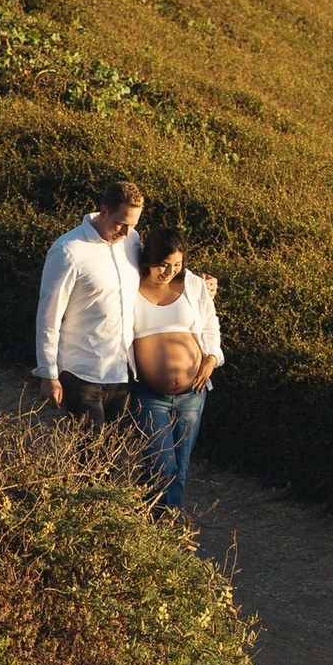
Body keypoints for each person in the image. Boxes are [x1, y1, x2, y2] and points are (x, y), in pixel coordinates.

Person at [127, 213, 221, 513]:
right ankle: (151, 527)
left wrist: (212, 358)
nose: (170, 271)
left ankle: (168, 528)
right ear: (149, 260)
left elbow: (210, 325)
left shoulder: (193, 284)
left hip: (193, 392)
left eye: (177, 265)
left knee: (180, 468)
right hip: (150, 394)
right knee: (159, 464)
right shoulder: (129, 287)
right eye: (164, 264)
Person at [34, 176, 142, 422]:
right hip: (81, 373)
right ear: (103, 211)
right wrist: (48, 374)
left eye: (133, 226)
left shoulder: (132, 240)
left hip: (121, 372)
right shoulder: (68, 251)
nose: (126, 232)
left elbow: (156, 274)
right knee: (88, 455)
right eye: (120, 224)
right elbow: (48, 316)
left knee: (113, 455)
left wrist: (198, 283)